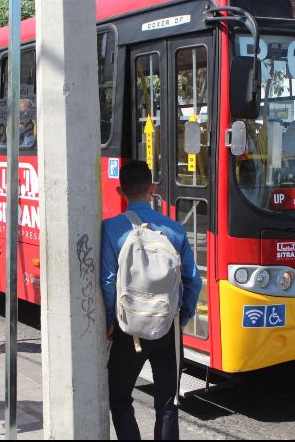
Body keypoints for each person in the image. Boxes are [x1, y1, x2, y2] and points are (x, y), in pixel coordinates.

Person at [100, 161, 202, 440]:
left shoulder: (111, 229)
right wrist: (180, 318)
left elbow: (108, 282)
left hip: (128, 329)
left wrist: (111, 321)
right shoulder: (175, 230)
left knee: (119, 398)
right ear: (153, 189)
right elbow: (193, 281)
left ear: (121, 190)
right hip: (167, 327)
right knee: (168, 404)